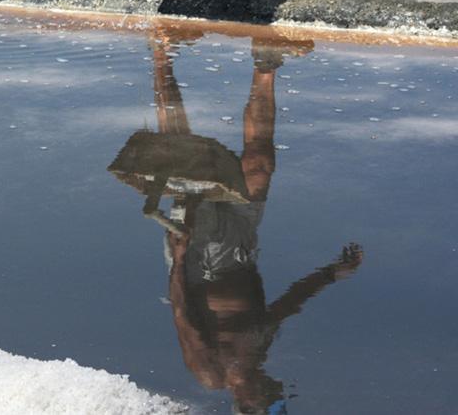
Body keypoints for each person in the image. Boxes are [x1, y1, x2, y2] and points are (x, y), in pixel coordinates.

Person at [110, 26, 362, 413]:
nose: (276, 387)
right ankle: (266, 63)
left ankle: (161, 56)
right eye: (277, 394)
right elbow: (289, 304)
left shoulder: (210, 373)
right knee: (260, 164)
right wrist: (331, 273)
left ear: (247, 406)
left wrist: (180, 255)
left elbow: (181, 314)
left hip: (200, 261)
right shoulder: (257, 353)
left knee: (181, 156)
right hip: (242, 247)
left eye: (271, 396)